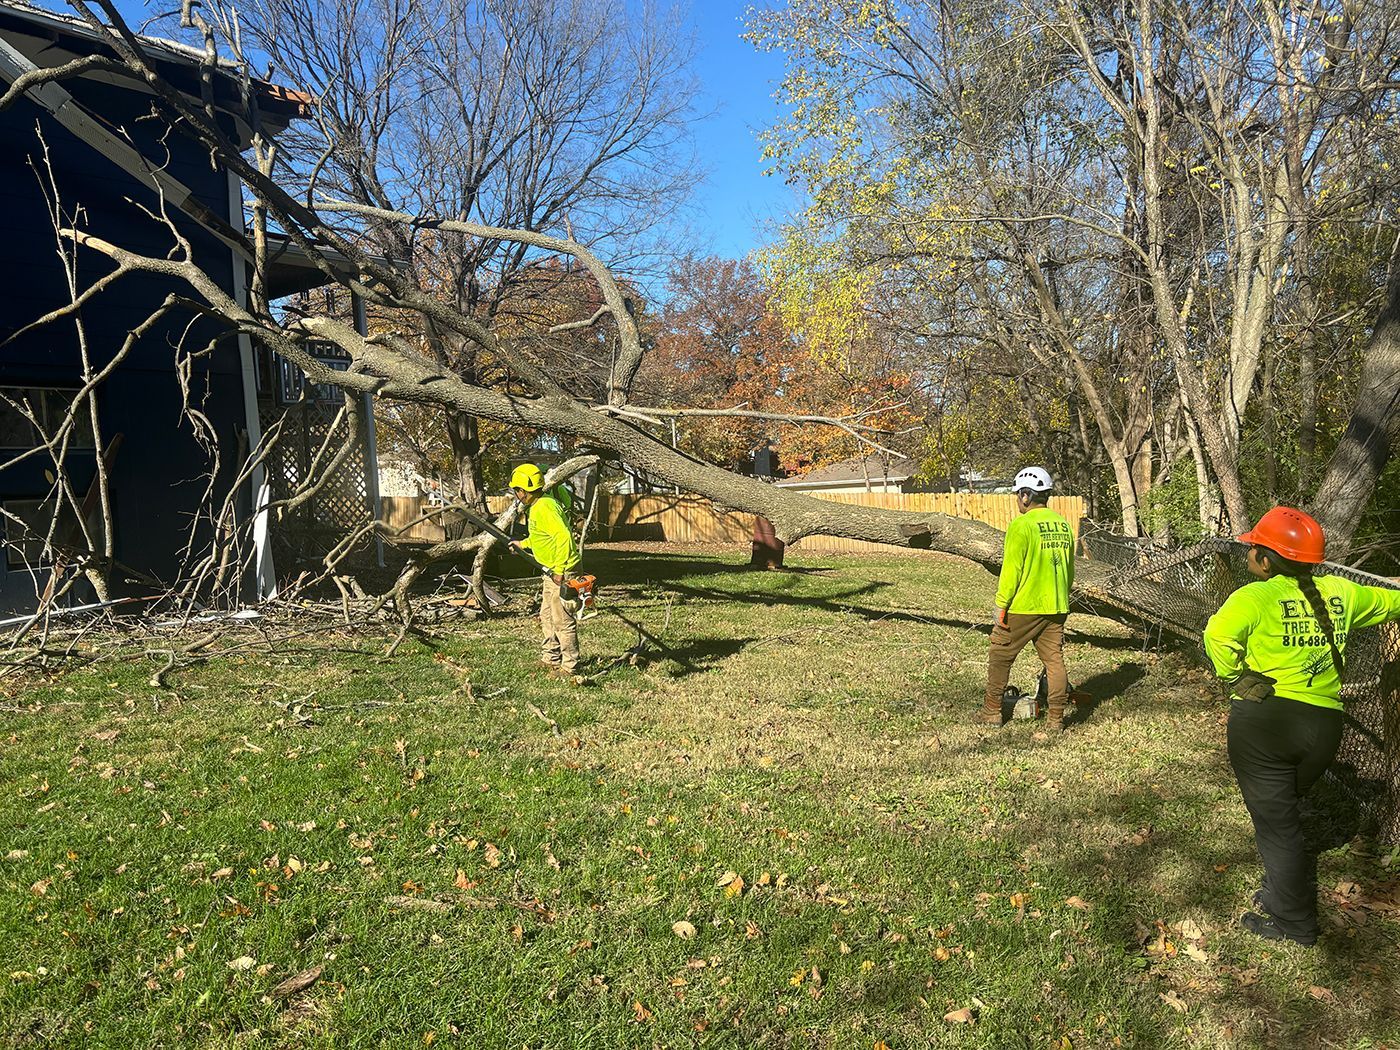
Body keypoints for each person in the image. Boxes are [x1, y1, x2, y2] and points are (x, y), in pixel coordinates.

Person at [1203, 506, 1400, 945]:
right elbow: (1394, 600)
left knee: (1278, 826)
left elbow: (1217, 636)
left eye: (1254, 547)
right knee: (1285, 811)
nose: (1249, 552)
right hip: (1324, 727)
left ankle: (1294, 922)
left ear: (1267, 559)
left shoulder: (1253, 597)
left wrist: (1235, 677)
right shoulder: (1344, 594)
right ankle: (1278, 892)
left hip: (1267, 725)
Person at [981, 466, 1075, 731]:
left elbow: (1012, 570)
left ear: (1025, 496)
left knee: (1000, 654)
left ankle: (991, 712)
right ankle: (1056, 719)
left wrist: (1001, 604)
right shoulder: (1063, 525)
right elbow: (1069, 570)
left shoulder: (1021, 525)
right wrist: (1062, 596)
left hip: (1024, 606)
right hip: (1056, 606)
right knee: (1054, 661)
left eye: (1018, 495)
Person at [508, 463, 585, 683]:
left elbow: (564, 538)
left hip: (562, 570)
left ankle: (570, 666)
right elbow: (543, 537)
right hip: (550, 570)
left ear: (524, 490)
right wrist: (522, 544)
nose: (516, 495)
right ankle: (551, 657)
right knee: (547, 615)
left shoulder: (545, 507)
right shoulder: (538, 507)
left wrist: (561, 570)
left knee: (562, 619)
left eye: (517, 490)